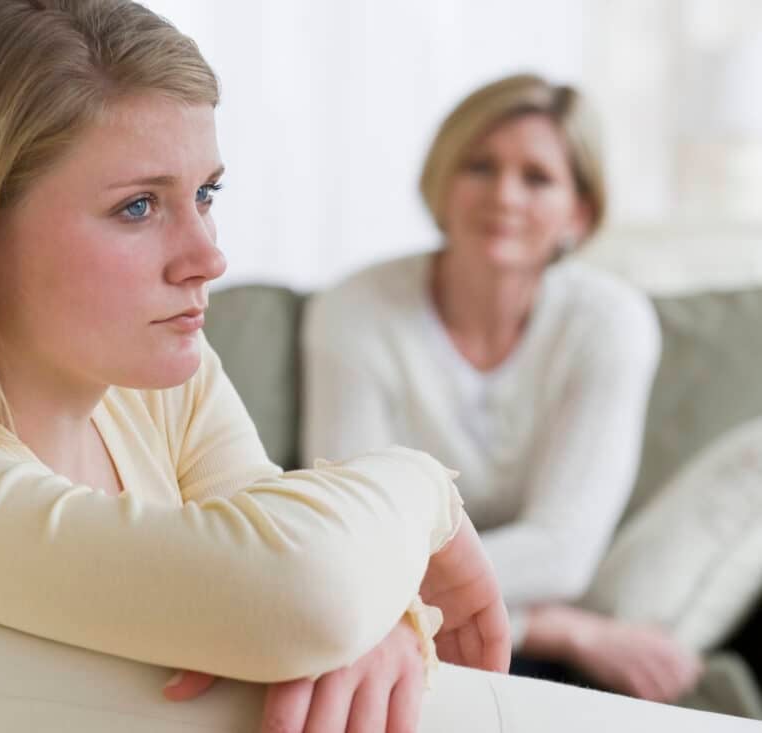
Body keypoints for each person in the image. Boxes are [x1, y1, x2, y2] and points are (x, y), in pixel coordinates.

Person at [0, 5, 743, 730]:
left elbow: (305, 583)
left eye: (206, 192)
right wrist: (422, 490)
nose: (209, 256)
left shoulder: (161, 386)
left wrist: (377, 617)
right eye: (137, 207)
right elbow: (306, 588)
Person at [301, 74, 705, 703]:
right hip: (407, 613)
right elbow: (355, 535)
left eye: (536, 178)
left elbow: (564, 553)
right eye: (480, 167)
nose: (504, 196)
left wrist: (444, 602)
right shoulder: (356, 310)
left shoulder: (610, 322)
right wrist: (557, 628)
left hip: (431, 608)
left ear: (580, 211)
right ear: (442, 179)